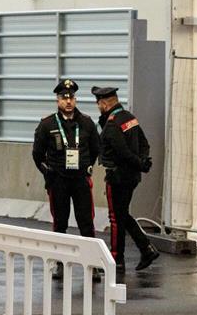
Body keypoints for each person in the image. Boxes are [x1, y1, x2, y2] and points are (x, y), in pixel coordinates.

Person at [32, 78, 101, 280]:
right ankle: (59, 263)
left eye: (71, 98)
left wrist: (88, 167)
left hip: (80, 179)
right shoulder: (47, 124)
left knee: (86, 222)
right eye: (64, 98)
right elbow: (37, 155)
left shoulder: (86, 122)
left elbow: (96, 149)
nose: (68, 101)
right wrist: (47, 173)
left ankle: (93, 264)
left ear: (75, 99)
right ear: (57, 100)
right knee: (60, 222)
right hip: (59, 180)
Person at [92, 86, 159, 274]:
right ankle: (146, 248)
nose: (98, 108)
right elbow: (144, 143)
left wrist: (139, 163)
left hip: (118, 177)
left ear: (104, 104)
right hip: (132, 177)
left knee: (116, 218)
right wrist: (143, 162)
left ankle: (116, 259)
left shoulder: (112, 124)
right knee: (123, 215)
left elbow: (122, 153)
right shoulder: (130, 118)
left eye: (99, 104)